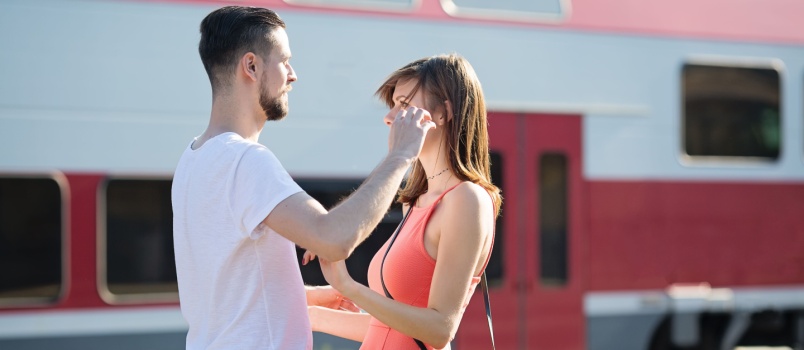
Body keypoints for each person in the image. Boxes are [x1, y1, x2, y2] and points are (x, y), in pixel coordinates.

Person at [171, 6, 435, 350]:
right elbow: (334, 238)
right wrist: (401, 155)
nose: (293, 75)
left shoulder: (193, 157)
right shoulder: (246, 161)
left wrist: (300, 296)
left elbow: (222, 288)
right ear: (251, 66)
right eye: (284, 62)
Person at [306, 53, 502, 350]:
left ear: (443, 113)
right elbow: (388, 330)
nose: (389, 117)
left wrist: (349, 287)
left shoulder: (466, 199)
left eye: (404, 105)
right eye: (393, 105)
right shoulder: (418, 202)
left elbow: (438, 330)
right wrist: (312, 316)